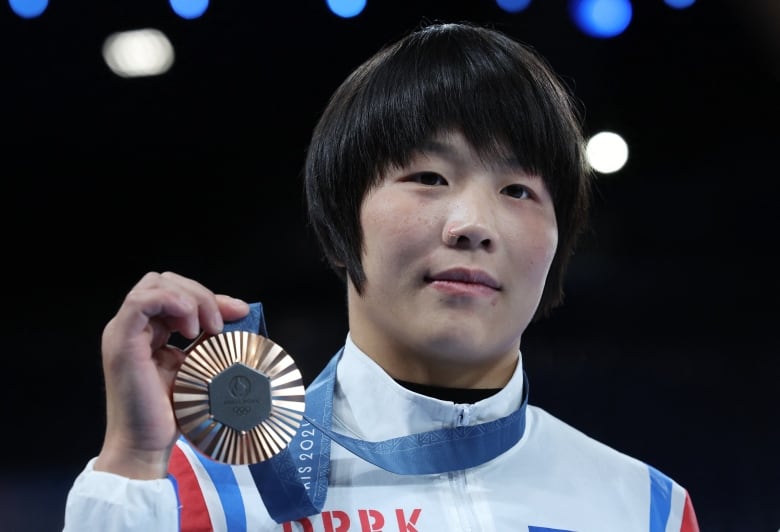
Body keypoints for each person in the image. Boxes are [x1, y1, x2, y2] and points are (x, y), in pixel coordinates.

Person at [63, 21, 700, 531]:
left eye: (517, 189)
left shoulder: (644, 508)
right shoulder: (200, 493)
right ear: (341, 223)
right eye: (429, 178)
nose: (473, 224)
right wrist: (130, 463)